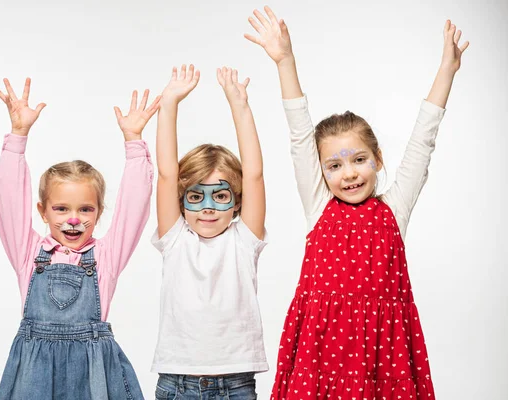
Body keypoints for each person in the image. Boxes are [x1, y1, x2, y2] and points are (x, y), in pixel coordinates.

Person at [245, 7, 468, 399]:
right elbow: (300, 135)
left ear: (377, 160)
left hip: (383, 355)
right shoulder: (318, 205)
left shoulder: (393, 210)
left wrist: (446, 71)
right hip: (321, 351)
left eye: (359, 160)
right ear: (321, 170)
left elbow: (423, 141)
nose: (348, 174)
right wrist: (285, 61)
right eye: (334, 165)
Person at [0, 77, 158, 399]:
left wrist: (134, 143)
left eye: (85, 209)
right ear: (42, 211)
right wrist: (18, 136)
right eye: (61, 209)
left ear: (98, 213)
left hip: (93, 372)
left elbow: (134, 207)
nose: (73, 219)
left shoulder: (105, 257)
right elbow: (7, 198)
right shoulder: (29, 253)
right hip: (34, 374)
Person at [151, 65, 267, 400]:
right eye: (196, 195)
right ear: (182, 200)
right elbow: (166, 174)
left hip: (236, 382)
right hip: (178, 381)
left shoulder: (244, 240)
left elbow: (255, 175)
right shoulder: (175, 238)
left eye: (220, 196)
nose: (207, 207)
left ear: (237, 200)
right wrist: (169, 102)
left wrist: (239, 106)